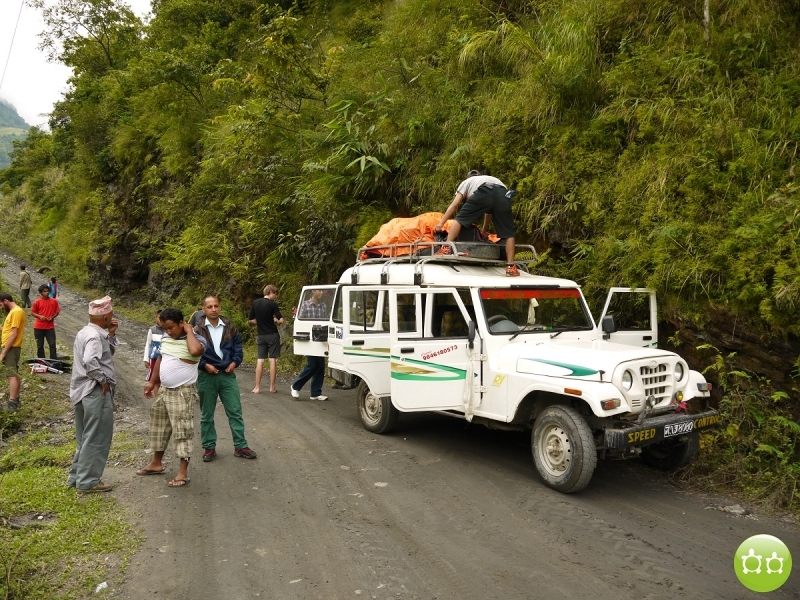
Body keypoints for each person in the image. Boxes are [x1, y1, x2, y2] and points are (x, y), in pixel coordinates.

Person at [138, 308, 205, 487]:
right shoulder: (167, 339)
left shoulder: (197, 338)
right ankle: (156, 463)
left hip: (182, 392)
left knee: (182, 431)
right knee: (159, 426)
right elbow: (160, 360)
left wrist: (189, 331)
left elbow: (196, 351)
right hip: (165, 390)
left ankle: (183, 472)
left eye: (171, 327)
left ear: (181, 323)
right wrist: (152, 382)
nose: (167, 331)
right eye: (164, 328)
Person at [194, 295, 257, 462]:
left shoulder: (229, 327)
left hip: (228, 376)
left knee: (235, 411)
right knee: (207, 414)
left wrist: (234, 363)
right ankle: (209, 447)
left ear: (219, 307)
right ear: (203, 309)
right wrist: (205, 364)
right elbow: (192, 353)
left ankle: (240, 445)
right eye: (210, 307)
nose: (213, 309)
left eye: (216, 306)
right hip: (207, 376)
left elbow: (238, 349)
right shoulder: (196, 330)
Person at [66, 296, 118, 493]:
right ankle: (88, 481)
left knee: (84, 436)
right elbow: (91, 361)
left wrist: (111, 335)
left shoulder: (86, 332)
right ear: (105, 317)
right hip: (94, 392)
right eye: (111, 315)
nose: (113, 317)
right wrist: (103, 380)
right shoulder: (95, 337)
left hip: (81, 392)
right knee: (97, 436)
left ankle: (76, 477)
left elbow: (104, 356)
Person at [434, 170, 519, 277]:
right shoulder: (491, 179)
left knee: (460, 219)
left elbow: (455, 205)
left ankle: (445, 248)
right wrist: (483, 231)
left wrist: (441, 224)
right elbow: (489, 212)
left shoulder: (466, 182)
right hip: (504, 194)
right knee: (508, 234)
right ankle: (511, 267)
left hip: (484, 191)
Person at [290, 289, 329, 401]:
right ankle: (295, 386)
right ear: (313, 291)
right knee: (312, 364)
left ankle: (315, 393)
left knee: (320, 365)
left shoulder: (323, 306)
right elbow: (298, 320)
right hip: (309, 339)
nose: (321, 293)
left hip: (320, 339)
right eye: (319, 291)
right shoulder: (305, 305)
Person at [249, 284, 284, 394]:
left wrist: (260, 322)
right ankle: (272, 387)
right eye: (275, 294)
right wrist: (275, 321)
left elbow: (251, 320)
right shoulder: (272, 304)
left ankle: (257, 387)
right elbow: (281, 320)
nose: (276, 296)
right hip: (272, 335)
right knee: (272, 360)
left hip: (261, 335)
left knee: (260, 360)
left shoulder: (255, 303)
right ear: (271, 292)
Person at [0, 292, 26, 412]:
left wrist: (4, 352)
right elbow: (10, 329)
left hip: (11, 348)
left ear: (5, 301)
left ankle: (12, 403)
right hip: (12, 348)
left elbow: (14, 333)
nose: (1, 307)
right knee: (13, 374)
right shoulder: (15, 312)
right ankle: (15, 399)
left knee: (11, 375)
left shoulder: (16, 312)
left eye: (0, 304)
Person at [31, 283, 60, 359]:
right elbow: (32, 312)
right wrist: (40, 316)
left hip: (49, 327)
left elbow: (57, 312)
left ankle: (53, 361)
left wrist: (52, 317)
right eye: (44, 291)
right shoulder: (37, 301)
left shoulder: (54, 301)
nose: (46, 292)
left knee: (52, 344)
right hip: (38, 327)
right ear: (41, 292)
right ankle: (41, 360)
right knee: (40, 345)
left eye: (47, 291)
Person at [143, 309, 164, 382]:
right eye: (159, 318)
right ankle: (157, 394)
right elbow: (148, 344)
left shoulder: (168, 330)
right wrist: (146, 359)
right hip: (154, 358)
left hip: (164, 359)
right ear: (156, 318)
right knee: (154, 380)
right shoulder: (152, 330)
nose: (161, 320)